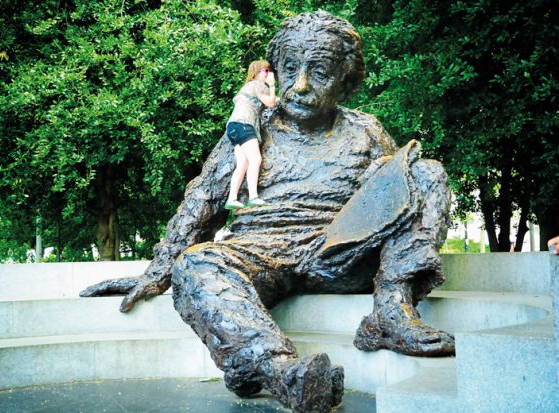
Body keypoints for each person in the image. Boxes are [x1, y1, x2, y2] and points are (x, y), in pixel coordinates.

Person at [82, 12, 453, 413]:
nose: (301, 86)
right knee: (196, 263)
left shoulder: (366, 131)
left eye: (321, 72)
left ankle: (392, 311)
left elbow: (391, 201)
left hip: (339, 252)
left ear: (346, 80)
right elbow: (202, 202)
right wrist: (157, 272)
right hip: (261, 249)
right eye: (290, 69)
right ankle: (282, 372)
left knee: (423, 172)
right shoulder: (249, 130)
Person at [224, 60, 276, 209]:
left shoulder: (248, 87)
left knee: (243, 164)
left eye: (269, 70)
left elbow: (270, 101)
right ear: (256, 72)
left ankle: (231, 199)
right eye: (265, 71)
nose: (268, 73)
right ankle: (253, 196)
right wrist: (272, 85)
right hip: (244, 125)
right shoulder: (257, 85)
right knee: (255, 159)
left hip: (233, 127)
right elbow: (271, 103)